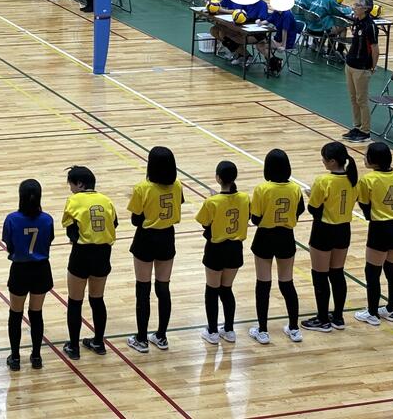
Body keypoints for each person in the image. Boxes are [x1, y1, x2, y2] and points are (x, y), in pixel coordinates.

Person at [126, 147, 182, 354]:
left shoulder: (143, 188)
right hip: (167, 237)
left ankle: (141, 339)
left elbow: (135, 220)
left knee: (143, 289)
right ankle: (161, 336)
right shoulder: (177, 185)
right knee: (163, 287)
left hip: (146, 238)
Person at [248, 150, 305, 345]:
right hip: (286, 237)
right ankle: (294, 328)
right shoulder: (295, 188)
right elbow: (300, 210)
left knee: (263, 284)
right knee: (287, 283)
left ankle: (263, 330)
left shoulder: (262, 189)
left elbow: (255, 219)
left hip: (265, 237)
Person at [301, 142, 358, 333]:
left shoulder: (323, 181)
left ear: (332, 161)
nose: (323, 161)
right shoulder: (353, 179)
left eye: (324, 159)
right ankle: (338, 317)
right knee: (337, 273)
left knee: (320, 275)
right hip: (344, 230)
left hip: (324, 230)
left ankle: (323, 319)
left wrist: (311, 195)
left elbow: (314, 209)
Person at [61, 166, 117, 359]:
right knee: (97, 299)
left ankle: (73, 347)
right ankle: (99, 342)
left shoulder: (74, 201)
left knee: (75, 301)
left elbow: (71, 231)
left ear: (80, 184)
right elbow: (114, 223)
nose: (71, 189)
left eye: (71, 185)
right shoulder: (106, 200)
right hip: (103, 253)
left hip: (82, 254)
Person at [2, 179, 54, 371]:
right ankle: (37, 356)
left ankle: (15, 357)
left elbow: (9, 244)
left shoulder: (12, 219)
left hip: (20, 270)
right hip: (41, 269)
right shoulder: (47, 219)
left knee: (16, 313)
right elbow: (49, 240)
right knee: (36, 313)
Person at [195, 161, 249, 345]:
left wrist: (215, 200)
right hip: (235, 249)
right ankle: (229, 330)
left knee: (212, 290)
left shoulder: (212, 202)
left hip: (216, 249)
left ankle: (212, 331)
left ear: (218, 178)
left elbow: (205, 223)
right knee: (226, 289)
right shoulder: (244, 198)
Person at [354, 143, 393, 326]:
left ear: (373, 160)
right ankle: (391, 310)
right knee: (392, 270)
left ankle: (372, 313)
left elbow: (364, 205)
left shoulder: (367, 179)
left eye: (366, 155)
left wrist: (372, 216)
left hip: (380, 228)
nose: (364, 157)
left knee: (372, 271)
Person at [342, 0, 379, 143]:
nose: (354, 7)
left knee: (361, 100)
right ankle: (357, 126)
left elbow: (375, 49)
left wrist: (372, 67)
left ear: (365, 9)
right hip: (350, 64)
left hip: (362, 67)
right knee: (353, 98)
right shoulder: (357, 20)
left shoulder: (370, 26)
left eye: (357, 5)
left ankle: (365, 131)